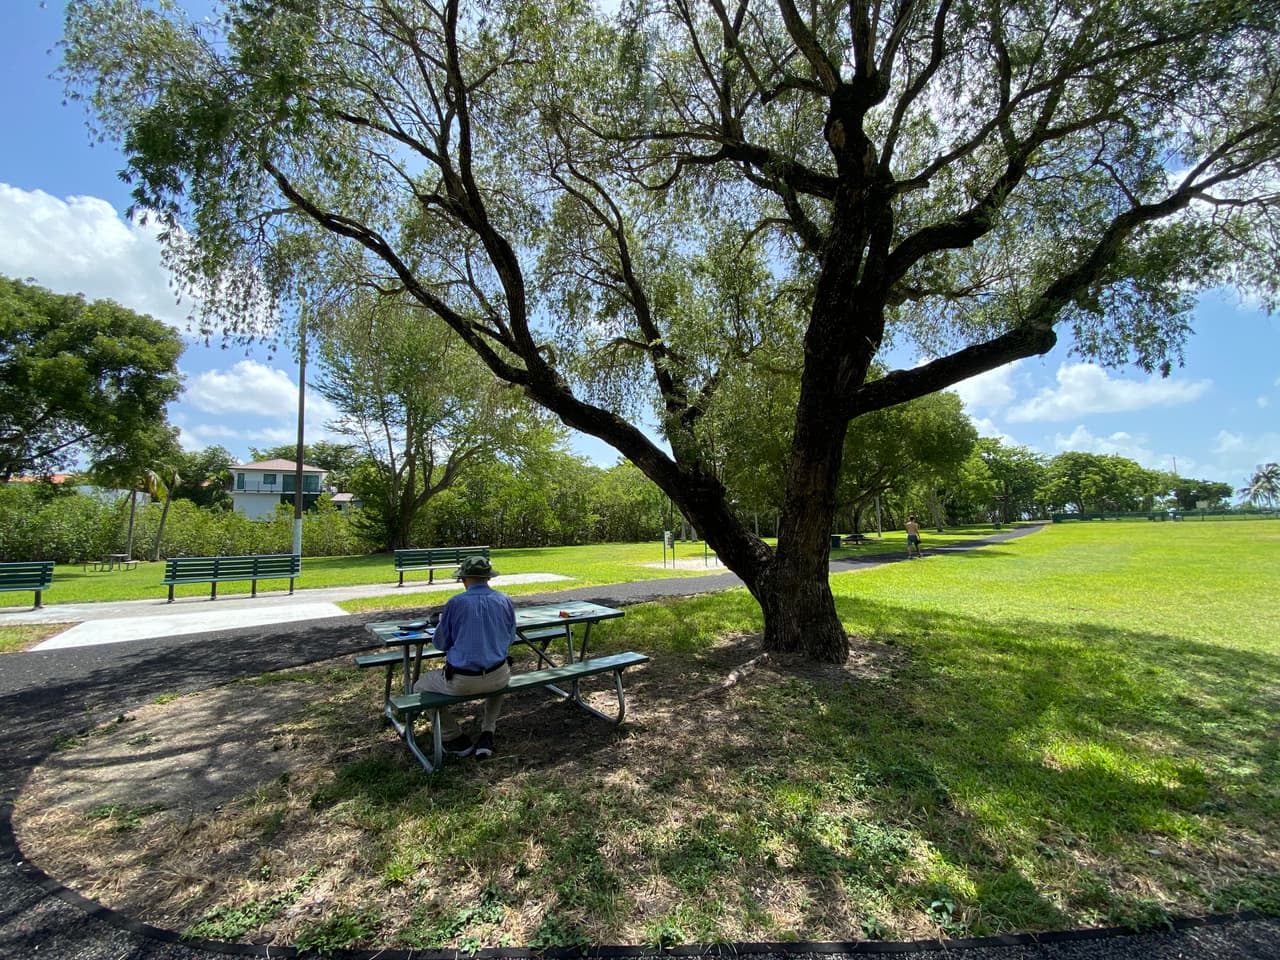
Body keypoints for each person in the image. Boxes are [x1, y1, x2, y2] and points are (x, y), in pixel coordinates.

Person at [412, 555, 515, 760]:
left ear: (464, 579)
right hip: (499, 674)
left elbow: (440, 643)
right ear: (488, 578)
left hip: (462, 681)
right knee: (497, 679)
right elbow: (509, 637)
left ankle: (453, 736)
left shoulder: (455, 603)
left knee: (419, 687)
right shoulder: (504, 600)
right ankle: (488, 731)